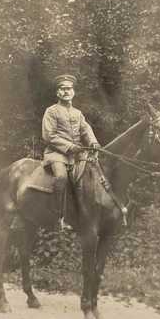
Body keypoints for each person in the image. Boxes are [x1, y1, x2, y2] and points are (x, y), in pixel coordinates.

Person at [42, 74, 100, 230]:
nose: (67, 91)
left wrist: (93, 142)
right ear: (58, 92)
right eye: (63, 89)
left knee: (90, 176)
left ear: (73, 92)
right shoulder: (51, 111)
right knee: (61, 177)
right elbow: (49, 135)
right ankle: (57, 219)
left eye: (69, 89)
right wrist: (69, 146)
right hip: (57, 153)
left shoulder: (77, 113)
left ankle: (82, 216)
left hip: (77, 154)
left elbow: (86, 129)